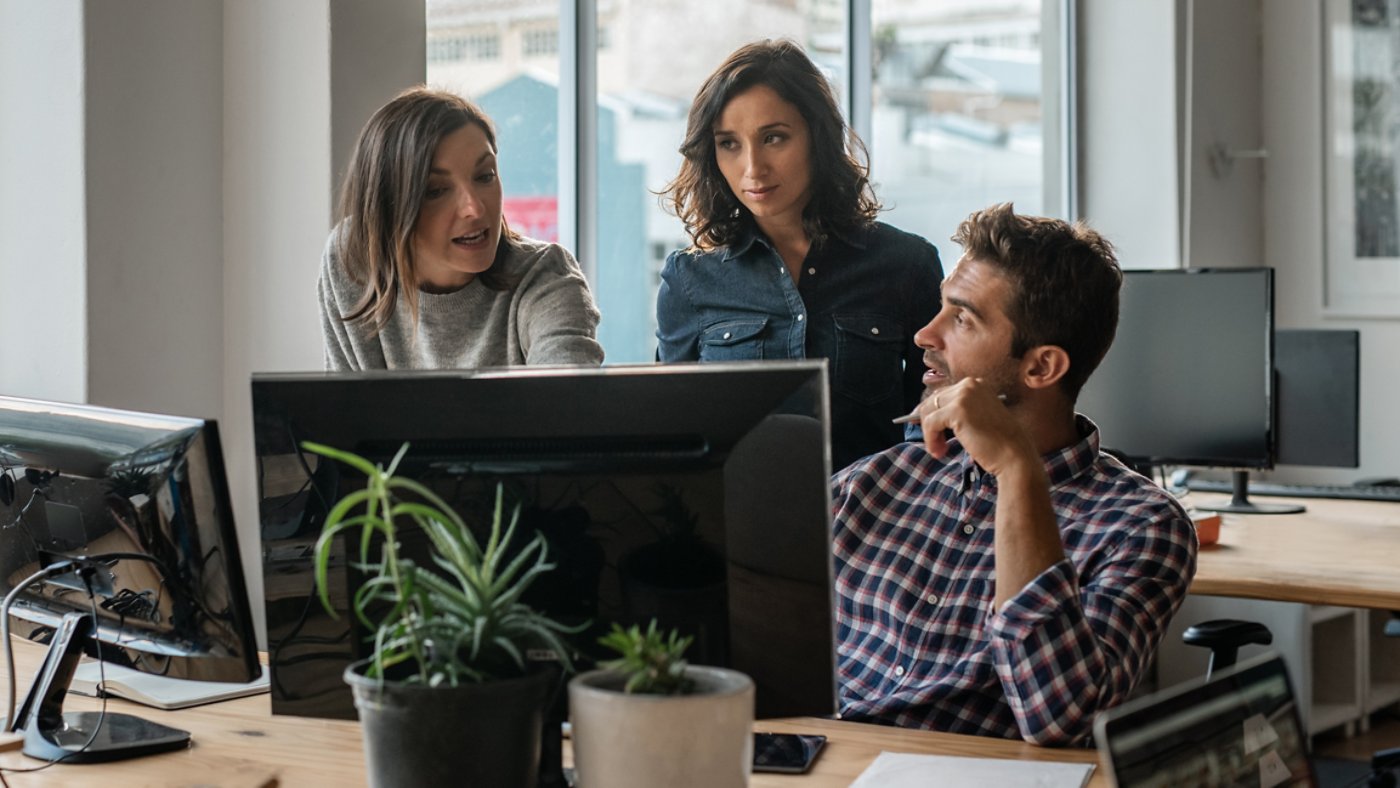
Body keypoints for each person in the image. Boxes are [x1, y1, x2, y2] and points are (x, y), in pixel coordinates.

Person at [831, 203, 1198, 746]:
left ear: (1041, 367)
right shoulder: (874, 485)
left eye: (962, 318)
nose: (924, 336)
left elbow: (1060, 719)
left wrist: (1015, 470)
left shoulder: (1142, 528)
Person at [656, 40, 943, 471]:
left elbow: (936, 417)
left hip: (880, 528)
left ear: (817, 135)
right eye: (729, 143)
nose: (753, 167)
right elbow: (673, 437)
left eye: (773, 138)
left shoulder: (907, 264)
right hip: (739, 526)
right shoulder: (689, 279)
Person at [319, 87, 604, 370]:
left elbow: (567, 404)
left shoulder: (546, 277)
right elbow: (345, 408)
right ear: (388, 206)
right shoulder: (352, 258)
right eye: (436, 191)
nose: (475, 209)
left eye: (485, 176)